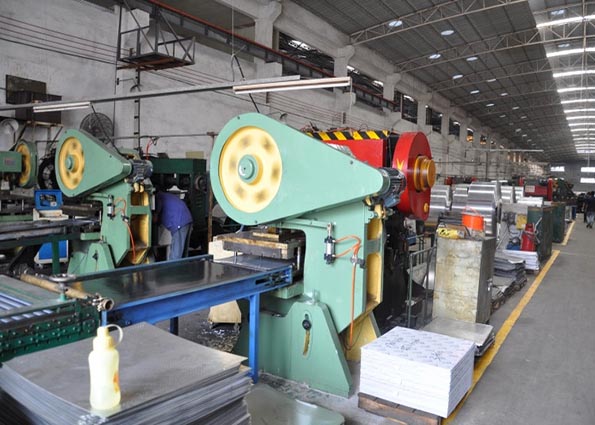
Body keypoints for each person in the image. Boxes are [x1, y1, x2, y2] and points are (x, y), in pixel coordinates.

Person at [154, 191, 193, 260]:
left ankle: (173, 267)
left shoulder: (158, 197)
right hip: (186, 219)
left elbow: (155, 217)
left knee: (176, 255)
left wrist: (155, 215)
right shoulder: (165, 196)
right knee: (183, 254)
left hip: (179, 221)